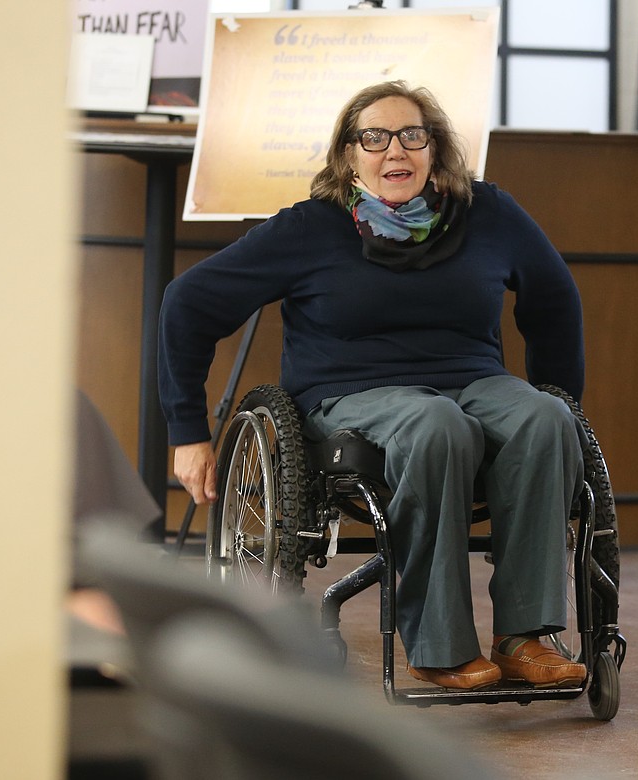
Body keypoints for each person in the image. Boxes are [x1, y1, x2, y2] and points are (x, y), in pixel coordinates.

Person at [158, 80, 588, 691]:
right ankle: (439, 647)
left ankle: (525, 636)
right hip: (350, 394)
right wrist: (187, 431)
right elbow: (188, 302)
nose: (395, 150)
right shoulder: (310, 228)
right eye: (375, 137)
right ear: (348, 155)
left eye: (412, 135)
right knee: (437, 426)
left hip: (472, 380)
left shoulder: (488, 213)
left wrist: (559, 398)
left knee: (544, 419)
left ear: (435, 148)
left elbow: (556, 299)